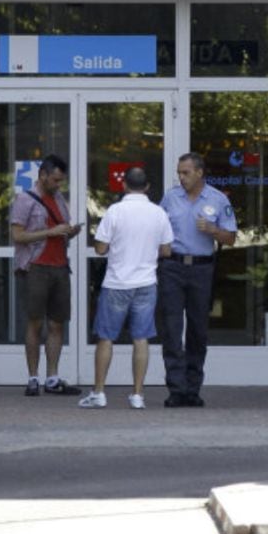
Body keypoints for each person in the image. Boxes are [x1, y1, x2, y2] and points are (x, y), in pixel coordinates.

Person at [79, 167, 173, 409]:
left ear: (124, 186)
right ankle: (138, 395)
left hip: (117, 283)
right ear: (148, 187)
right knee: (141, 338)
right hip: (146, 283)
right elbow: (166, 250)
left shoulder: (115, 211)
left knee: (106, 337)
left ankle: (99, 392)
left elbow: (100, 248)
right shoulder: (158, 213)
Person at [158, 152, 238, 408]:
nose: (181, 177)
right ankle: (176, 389)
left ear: (200, 172)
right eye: (179, 172)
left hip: (202, 268)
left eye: (186, 172)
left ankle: (193, 389)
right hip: (173, 266)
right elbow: (157, 228)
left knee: (197, 330)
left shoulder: (217, 198)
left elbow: (232, 238)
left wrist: (214, 231)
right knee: (171, 329)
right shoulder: (170, 197)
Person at [10, 154, 83, 396]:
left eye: (61, 181)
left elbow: (60, 232)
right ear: (42, 176)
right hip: (37, 267)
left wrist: (70, 232)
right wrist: (51, 232)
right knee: (34, 322)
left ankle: (52, 378)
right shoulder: (25, 199)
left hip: (60, 266)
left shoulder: (59, 199)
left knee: (57, 323)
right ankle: (33, 378)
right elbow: (17, 236)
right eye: (55, 180)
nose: (58, 185)